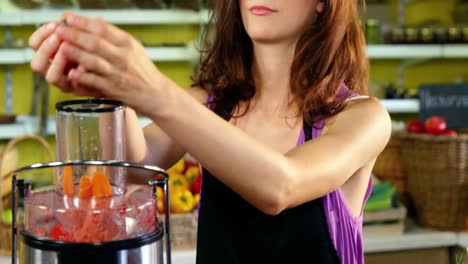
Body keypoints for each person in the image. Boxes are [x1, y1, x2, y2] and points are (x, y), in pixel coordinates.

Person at [28, 1, 391, 263]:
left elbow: (281, 186)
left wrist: (154, 91)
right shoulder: (209, 104)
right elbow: (129, 170)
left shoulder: (361, 118)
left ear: (324, 4)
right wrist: (107, 87)